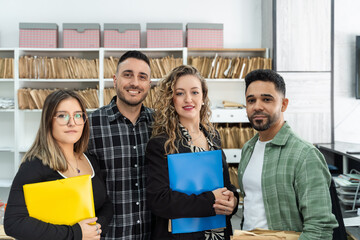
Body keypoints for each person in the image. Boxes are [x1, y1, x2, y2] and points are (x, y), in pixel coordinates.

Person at [237, 69, 338, 239]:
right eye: (251, 100)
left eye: (266, 99)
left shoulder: (305, 155)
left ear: (283, 104)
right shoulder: (248, 148)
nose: (257, 106)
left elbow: (320, 228)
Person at [4, 89, 113, 240]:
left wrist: (96, 228)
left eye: (78, 115)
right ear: (48, 121)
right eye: (62, 116)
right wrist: (76, 233)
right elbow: (13, 223)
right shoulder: (34, 165)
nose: (72, 122)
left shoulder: (90, 159)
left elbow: (105, 204)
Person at [146, 65, 239, 240]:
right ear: (171, 99)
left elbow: (226, 185)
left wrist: (232, 200)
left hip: (217, 233)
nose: (188, 99)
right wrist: (211, 200)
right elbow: (159, 200)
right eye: (180, 93)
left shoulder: (213, 136)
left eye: (195, 92)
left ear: (203, 97)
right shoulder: (161, 143)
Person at [88, 50, 153, 239]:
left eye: (142, 77)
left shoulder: (161, 125)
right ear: (115, 80)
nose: (135, 82)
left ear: (149, 84)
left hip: (153, 233)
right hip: (110, 235)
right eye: (128, 75)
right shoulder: (90, 125)